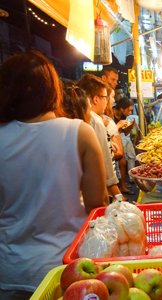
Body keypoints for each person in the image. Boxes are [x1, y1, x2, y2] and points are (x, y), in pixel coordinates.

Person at [0, 51, 108, 299]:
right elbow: (97, 206)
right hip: (66, 269)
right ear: (52, 89)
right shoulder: (79, 132)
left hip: (9, 272)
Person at [77, 74, 123, 199]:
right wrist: (118, 196)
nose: (107, 101)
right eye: (105, 97)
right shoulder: (96, 121)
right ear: (96, 99)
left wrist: (107, 142)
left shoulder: (78, 117)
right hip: (98, 189)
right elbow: (107, 167)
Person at [113, 97, 137, 183]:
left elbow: (130, 130)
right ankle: (119, 180)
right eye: (128, 110)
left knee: (132, 156)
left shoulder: (126, 116)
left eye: (131, 110)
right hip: (116, 140)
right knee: (119, 161)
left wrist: (132, 130)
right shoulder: (110, 115)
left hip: (126, 138)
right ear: (121, 109)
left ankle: (132, 178)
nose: (130, 113)